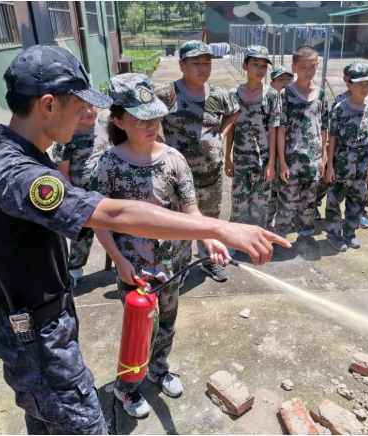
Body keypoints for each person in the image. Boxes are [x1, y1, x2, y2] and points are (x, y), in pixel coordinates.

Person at [0, 44, 290, 435]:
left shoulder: (31, 159)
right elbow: (116, 212)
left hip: (46, 325)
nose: (88, 113)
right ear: (49, 105)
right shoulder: (17, 172)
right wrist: (219, 227)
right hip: (37, 339)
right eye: (79, 104)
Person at [92, 73, 226, 417]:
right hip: (133, 267)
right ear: (119, 121)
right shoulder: (108, 165)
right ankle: (127, 388)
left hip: (173, 263)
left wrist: (209, 238)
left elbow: (191, 211)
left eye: (155, 116)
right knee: (139, 328)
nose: (152, 125)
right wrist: (119, 261)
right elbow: (98, 220)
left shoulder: (174, 159)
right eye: (140, 120)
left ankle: (159, 368)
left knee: (167, 320)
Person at [155, 40, 239, 284]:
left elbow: (233, 111)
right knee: (181, 226)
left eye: (207, 63)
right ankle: (180, 269)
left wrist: (220, 135)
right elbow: (145, 121)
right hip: (178, 179)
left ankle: (209, 262)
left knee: (210, 222)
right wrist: (160, 146)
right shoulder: (166, 95)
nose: (203, 68)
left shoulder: (218, 94)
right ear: (182, 65)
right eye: (196, 64)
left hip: (211, 176)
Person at [274, 46, 330, 247]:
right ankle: (279, 236)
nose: (308, 71)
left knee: (308, 202)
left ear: (317, 66)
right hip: (292, 161)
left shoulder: (321, 95)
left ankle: (305, 234)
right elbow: (281, 129)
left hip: (313, 161)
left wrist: (323, 157)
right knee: (287, 203)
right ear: (294, 67)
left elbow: (324, 128)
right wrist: (281, 162)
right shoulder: (286, 95)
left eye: (312, 66)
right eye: (304, 67)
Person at [52, 103, 110, 286]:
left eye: (90, 106)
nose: (87, 112)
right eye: (81, 107)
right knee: (82, 233)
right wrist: (72, 197)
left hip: (109, 191)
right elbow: (63, 172)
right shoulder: (67, 135)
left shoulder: (105, 125)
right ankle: (75, 267)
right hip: (83, 194)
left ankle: (125, 259)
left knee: (119, 227)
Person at [325, 61, 368, 251]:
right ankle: (333, 233)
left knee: (358, 197)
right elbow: (332, 137)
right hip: (342, 160)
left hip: (363, 161)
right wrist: (330, 165)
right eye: (360, 84)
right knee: (335, 197)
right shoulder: (340, 108)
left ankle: (350, 232)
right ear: (349, 84)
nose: (364, 88)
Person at [225, 46, 280, 231]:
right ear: (245, 66)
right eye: (255, 64)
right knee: (239, 204)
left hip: (262, 162)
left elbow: (273, 130)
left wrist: (271, 163)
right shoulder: (234, 95)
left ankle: (256, 243)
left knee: (260, 207)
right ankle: (236, 243)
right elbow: (231, 128)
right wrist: (227, 159)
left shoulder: (271, 96)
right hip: (240, 161)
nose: (260, 70)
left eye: (264, 66)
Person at [316, 60, 368, 228]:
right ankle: (315, 204)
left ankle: (358, 214)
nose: (363, 87)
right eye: (357, 82)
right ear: (347, 81)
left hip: (361, 155)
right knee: (328, 183)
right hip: (340, 154)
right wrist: (328, 160)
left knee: (359, 188)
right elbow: (331, 132)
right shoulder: (340, 103)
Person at [267, 65, 294, 228]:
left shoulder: (295, 102)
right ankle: (267, 221)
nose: (285, 83)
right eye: (280, 80)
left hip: (290, 156)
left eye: (288, 79)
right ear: (272, 83)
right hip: (270, 156)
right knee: (271, 192)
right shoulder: (268, 101)